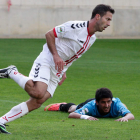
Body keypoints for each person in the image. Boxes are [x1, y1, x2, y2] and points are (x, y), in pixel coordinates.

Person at [0, 4, 115, 134]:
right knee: (38, 92)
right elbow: (50, 34)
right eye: (108, 19)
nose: (109, 23)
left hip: (58, 70)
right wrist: (55, 56)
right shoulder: (76, 26)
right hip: (47, 59)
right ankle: (11, 72)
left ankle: (1, 121)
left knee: (38, 102)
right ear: (98, 16)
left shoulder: (92, 38)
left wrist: (64, 70)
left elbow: (71, 54)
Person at [45, 88, 134, 122]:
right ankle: (61, 106)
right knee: (72, 109)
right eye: (103, 102)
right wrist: (86, 117)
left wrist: (125, 118)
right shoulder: (91, 106)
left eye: (108, 102)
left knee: (122, 108)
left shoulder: (116, 104)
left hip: (118, 106)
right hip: (89, 103)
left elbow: (131, 115)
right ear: (97, 102)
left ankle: (123, 108)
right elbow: (71, 115)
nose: (106, 105)